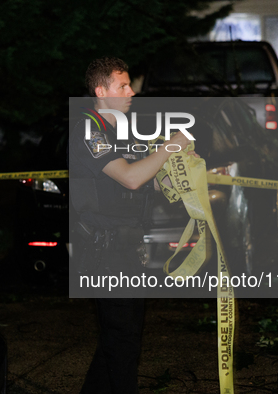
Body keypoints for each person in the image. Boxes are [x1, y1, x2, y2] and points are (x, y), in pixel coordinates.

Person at [69, 57, 198, 394]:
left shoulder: (117, 130)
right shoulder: (88, 130)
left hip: (126, 248)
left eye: (130, 85)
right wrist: (172, 145)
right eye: (122, 86)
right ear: (100, 91)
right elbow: (129, 178)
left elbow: (142, 181)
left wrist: (185, 177)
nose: (131, 92)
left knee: (117, 342)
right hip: (106, 252)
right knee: (124, 345)